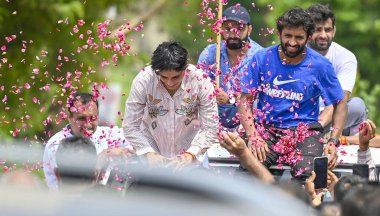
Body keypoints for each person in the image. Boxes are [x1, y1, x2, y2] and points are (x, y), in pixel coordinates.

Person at [238, 7, 347, 181]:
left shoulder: (320, 65)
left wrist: (333, 141)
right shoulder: (261, 58)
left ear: (308, 37)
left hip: (305, 133)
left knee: (310, 178)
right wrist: (252, 135)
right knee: (249, 173)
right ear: (278, 33)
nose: (293, 42)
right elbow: (245, 101)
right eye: (288, 36)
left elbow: (340, 103)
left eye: (299, 37)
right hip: (267, 130)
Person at [123, 41, 218, 169]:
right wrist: (148, 152)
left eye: (175, 77)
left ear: (185, 68)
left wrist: (190, 154)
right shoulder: (143, 80)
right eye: (163, 77)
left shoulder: (201, 80)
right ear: (156, 71)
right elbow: (130, 126)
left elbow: (210, 127)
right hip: (151, 159)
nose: (170, 83)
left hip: (191, 160)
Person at [306, 4, 377, 147]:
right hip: (298, 116)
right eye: (318, 30)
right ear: (307, 31)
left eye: (328, 30)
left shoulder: (345, 57)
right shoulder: (296, 52)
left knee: (357, 106)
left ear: (334, 31)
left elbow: (339, 100)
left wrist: (317, 126)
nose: (323, 35)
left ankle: (341, 139)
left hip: (330, 118)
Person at [43, 92, 133, 190]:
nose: (88, 124)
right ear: (70, 118)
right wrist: (104, 155)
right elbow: (77, 177)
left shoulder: (104, 133)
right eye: (81, 118)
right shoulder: (57, 144)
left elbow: (138, 139)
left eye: (92, 118)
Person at [198, 4, 263, 130]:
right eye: (227, 29)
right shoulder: (210, 53)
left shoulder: (260, 57)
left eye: (239, 29)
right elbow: (198, 87)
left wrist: (230, 99)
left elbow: (260, 99)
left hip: (251, 127)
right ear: (220, 29)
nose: (233, 34)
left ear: (249, 29)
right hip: (213, 126)